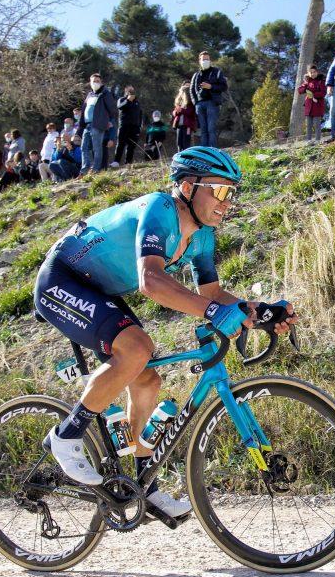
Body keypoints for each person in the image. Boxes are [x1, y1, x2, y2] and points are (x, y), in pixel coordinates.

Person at [34, 146, 297, 517]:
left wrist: (261, 312)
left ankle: (144, 483)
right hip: (62, 279)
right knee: (138, 347)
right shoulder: (160, 209)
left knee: (147, 381)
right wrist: (213, 311)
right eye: (219, 191)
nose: (227, 201)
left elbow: (213, 295)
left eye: (232, 193)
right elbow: (151, 281)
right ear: (188, 187)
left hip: (98, 290)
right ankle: (66, 436)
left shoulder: (203, 236)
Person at [79, 73, 118, 174]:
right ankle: (84, 170)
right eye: (94, 81)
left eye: (98, 81)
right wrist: (80, 126)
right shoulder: (89, 95)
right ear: (90, 83)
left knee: (97, 148)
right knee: (84, 148)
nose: (96, 83)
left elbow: (112, 109)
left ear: (101, 82)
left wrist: (109, 121)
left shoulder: (106, 93)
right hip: (87, 125)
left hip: (97, 125)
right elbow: (84, 110)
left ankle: (96, 169)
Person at [190, 52, 228, 148]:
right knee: (203, 130)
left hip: (212, 103)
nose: (205, 61)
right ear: (199, 61)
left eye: (207, 59)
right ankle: (204, 152)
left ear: (210, 60)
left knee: (211, 129)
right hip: (199, 104)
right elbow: (191, 90)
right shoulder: (196, 75)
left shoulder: (217, 71)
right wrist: (195, 103)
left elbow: (224, 86)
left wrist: (211, 86)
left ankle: (213, 151)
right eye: (203, 59)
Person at [115, 86, 144, 167]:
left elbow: (140, 114)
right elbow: (120, 107)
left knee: (131, 146)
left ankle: (128, 162)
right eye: (129, 91)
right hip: (124, 125)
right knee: (121, 144)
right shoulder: (122, 99)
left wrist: (139, 125)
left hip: (135, 127)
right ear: (126, 92)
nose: (131, 92)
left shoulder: (137, 102)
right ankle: (116, 161)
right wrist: (128, 100)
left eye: (133, 91)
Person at [297, 64, 326, 142]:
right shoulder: (306, 82)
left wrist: (314, 95)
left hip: (317, 105)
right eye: (311, 72)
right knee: (309, 125)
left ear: (317, 72)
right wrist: (306, 86)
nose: (313, 74)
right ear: (308, 73)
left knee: (317, 124)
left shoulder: (321, 81)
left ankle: (317, 140)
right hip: (308, 105)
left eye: (314, 72)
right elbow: (300, 90)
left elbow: (323, 93)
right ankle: (308, 140)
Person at [172, 82, 197, 151]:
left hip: (187, 126)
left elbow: (191, 113)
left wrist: (181, 110)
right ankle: (180, 157)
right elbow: (174, 113)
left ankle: (187, 158)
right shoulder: (180, 102)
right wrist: (177, 111)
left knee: (186, 143)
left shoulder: (191, 102)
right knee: (179, 143)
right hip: (179, 126)